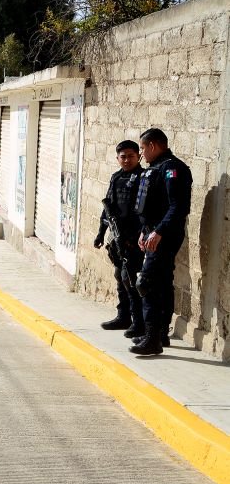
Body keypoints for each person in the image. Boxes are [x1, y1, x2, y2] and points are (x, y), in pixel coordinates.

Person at [129, 128, 192, 355]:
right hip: (153, 233)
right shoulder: (155, 169)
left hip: (165, 235)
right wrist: (144, 231)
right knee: (163, 283)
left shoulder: (172, 169)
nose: (142, 153)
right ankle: (158, 334)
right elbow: (153, 207)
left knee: (146, 283)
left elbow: (178, 207)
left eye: (144, 148)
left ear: (153, 146)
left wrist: (158, 232)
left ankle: (152, 338)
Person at [94, 140, 145, 338]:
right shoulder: (116, 178)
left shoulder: (143, 178)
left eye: (131, 156)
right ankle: (123, 316)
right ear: (117, 158)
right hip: (117, 237)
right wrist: (100, 233)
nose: (126, 160)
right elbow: (108, 209)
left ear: (138, 156)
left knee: (130, 278)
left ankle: (137, 321)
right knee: (119, 276)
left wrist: (134, 237)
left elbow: (143, 212)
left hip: (133, 238)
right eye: (122, 157)